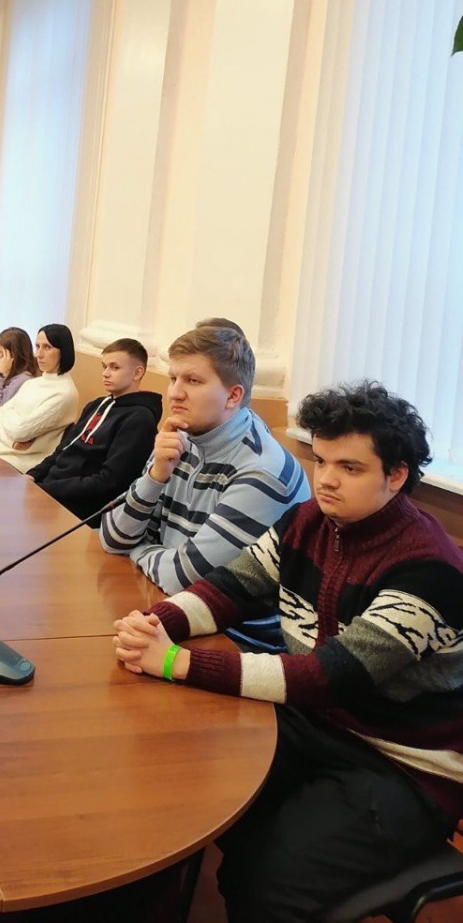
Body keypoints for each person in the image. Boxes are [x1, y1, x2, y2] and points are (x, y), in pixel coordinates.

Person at [112, 381, 463, 923]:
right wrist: (155, 623)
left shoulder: (429, 568)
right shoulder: (307, 521)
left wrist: (176, 661)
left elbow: (328, 676)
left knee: (263, 879)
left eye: (349, 467)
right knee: (177, 787)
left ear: (395, 476)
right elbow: (231, 587)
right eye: (321, 460)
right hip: (315, 724)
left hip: (403, 766)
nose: (325, 479)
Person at [99, 323, 308, 590]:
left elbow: (182, 579)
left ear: (233, 396)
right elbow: (113, 538)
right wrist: (156, 476)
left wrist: (139, 550)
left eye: (193, 381)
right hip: (161, 598)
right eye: (173, 378)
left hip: (221, 617)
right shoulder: (182, 437)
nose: (175, 393)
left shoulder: (262, 471)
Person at [29, 339, 162, 521]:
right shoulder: (96, 405)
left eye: (115, 367)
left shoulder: (139, 420)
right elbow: (63, 450)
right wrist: (33, 475)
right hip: (50, 489)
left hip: (78, 508)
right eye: (104, 366)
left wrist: (45, 489)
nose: (105, 373)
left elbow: (108, 482)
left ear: (137, 373)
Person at [0, 324, 80, 473]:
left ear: (63, 351)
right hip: (0, 450)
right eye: (37, 346)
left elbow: (20, 431)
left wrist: (9, 421)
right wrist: (12, 442)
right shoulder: (32, 383)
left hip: (22, 464)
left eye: (47, 347)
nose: (38, 354)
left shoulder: (64, 393)